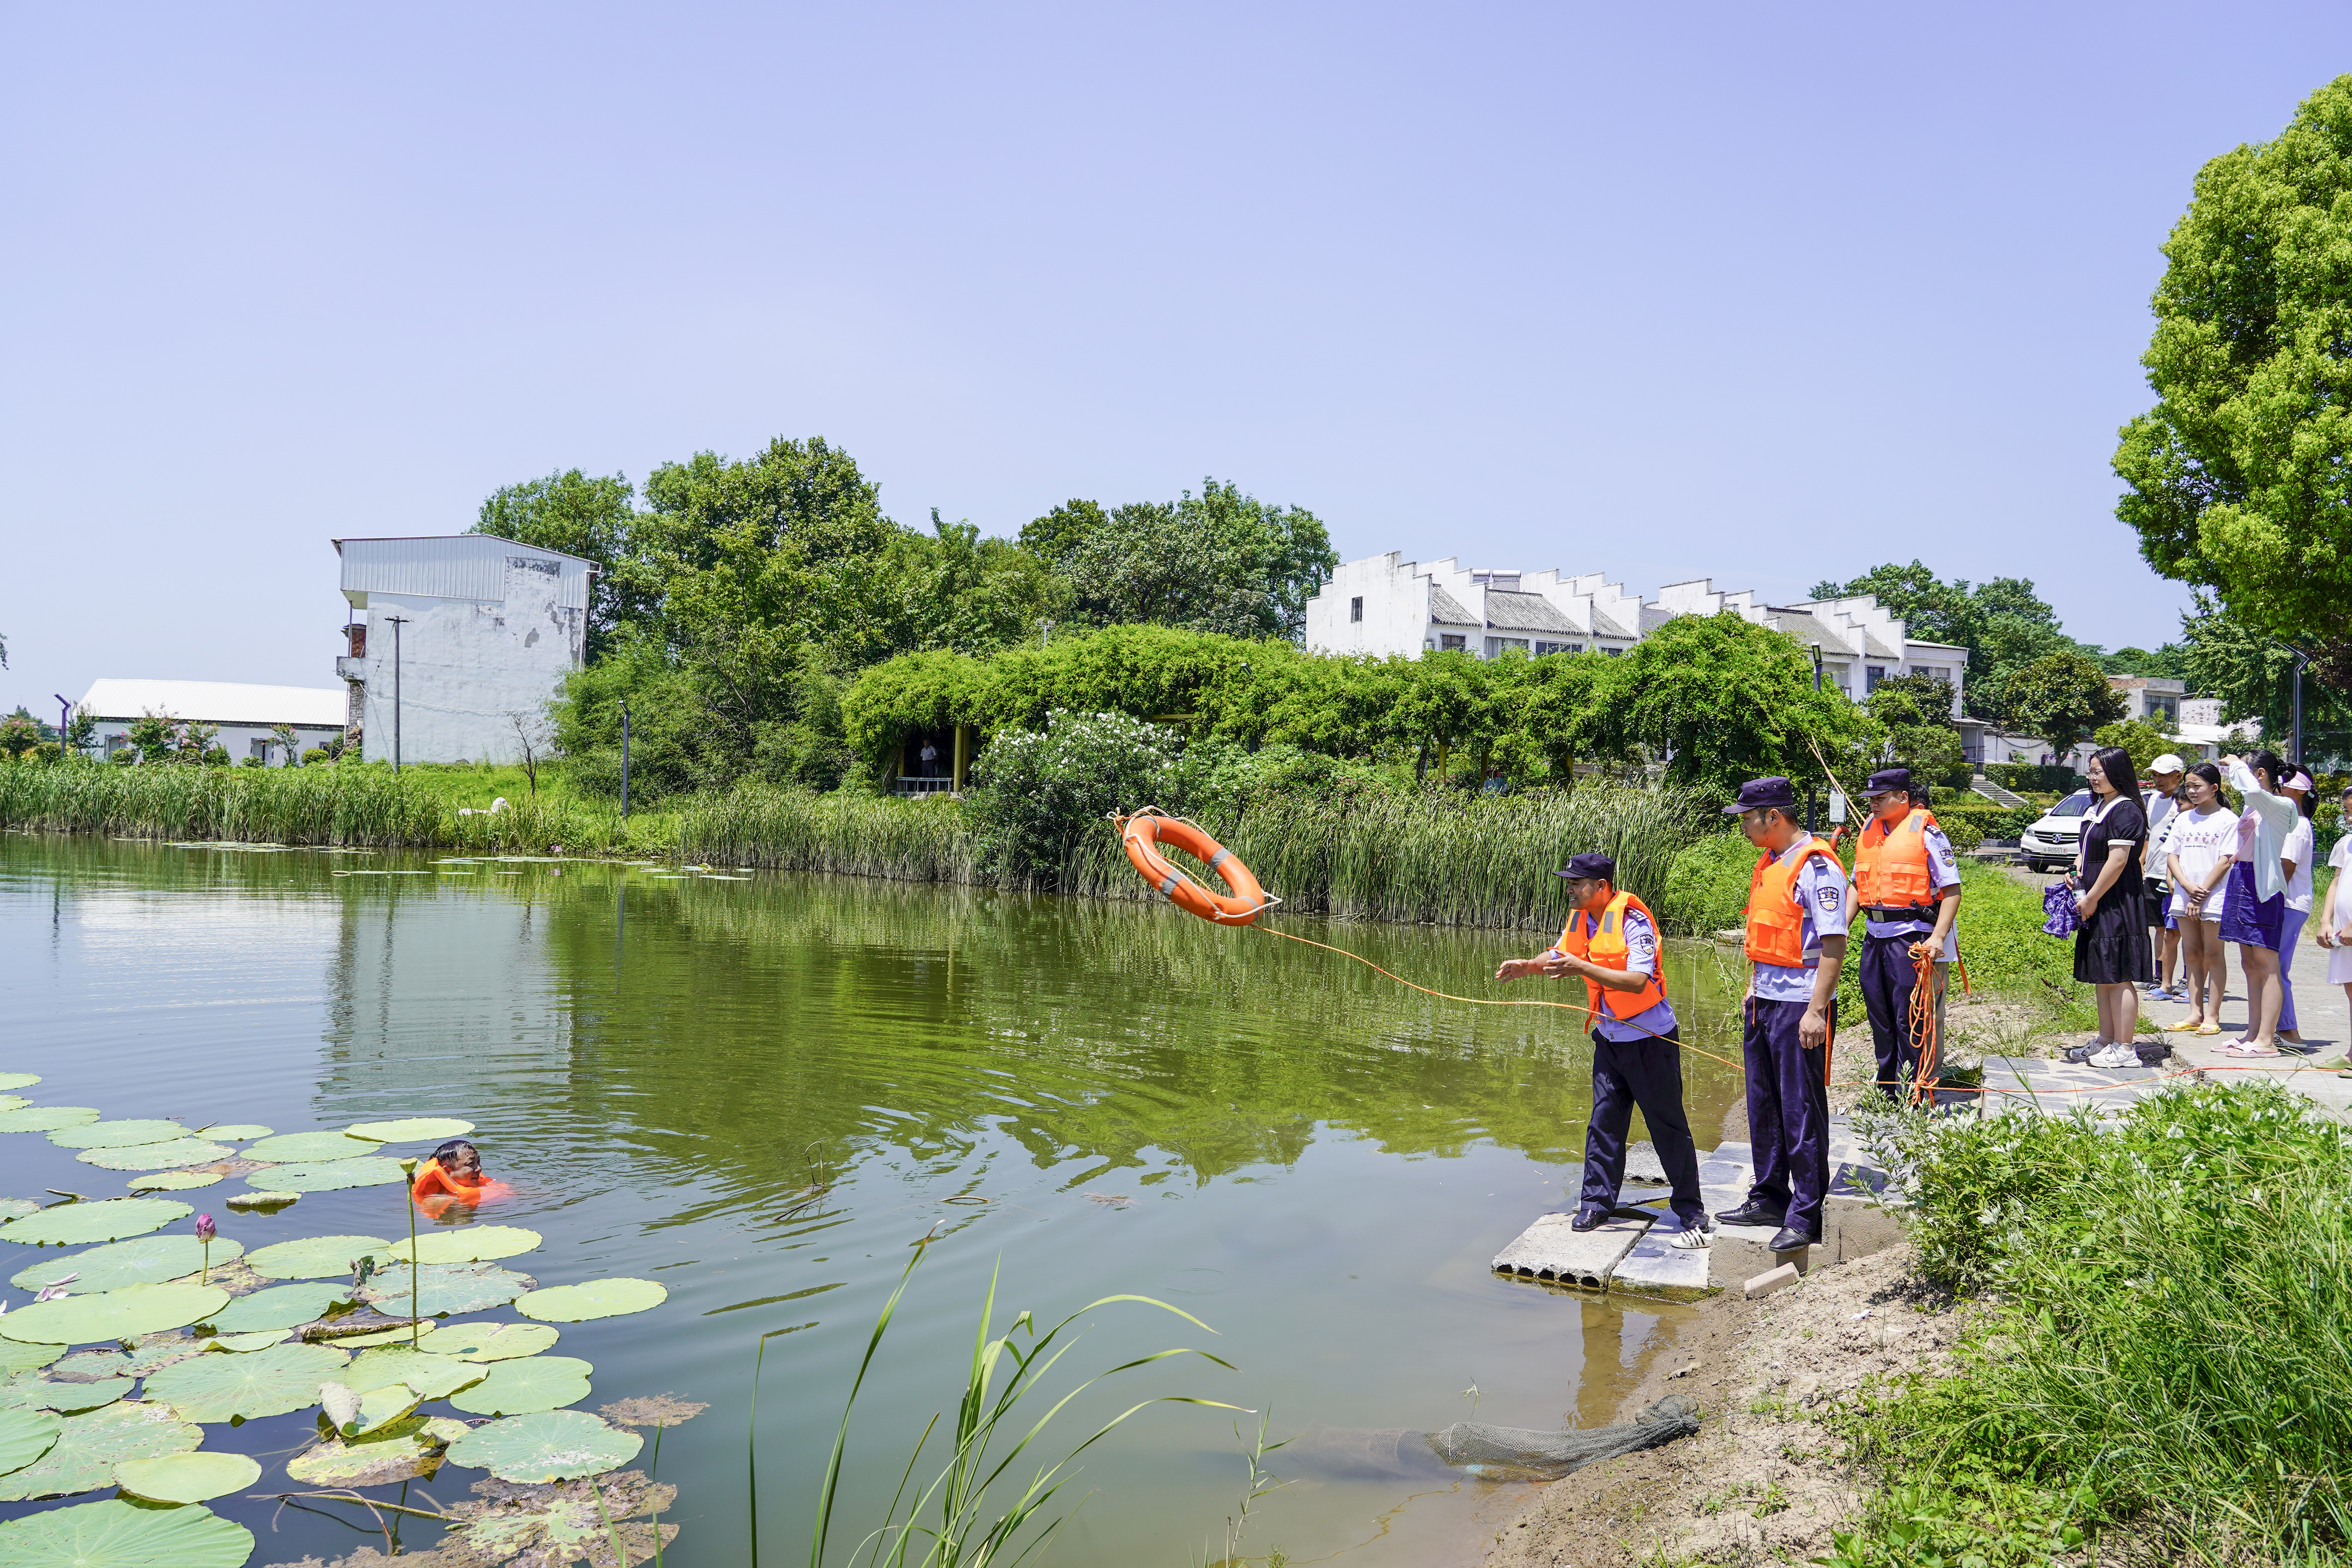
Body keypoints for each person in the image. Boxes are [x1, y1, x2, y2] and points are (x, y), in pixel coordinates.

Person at [1496, 853, 1710, 1250]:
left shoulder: (1633, 920)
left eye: (1577, 883)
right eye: (1570, 882)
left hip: (1651, 1040)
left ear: (1601, 886)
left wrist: (1583, 969)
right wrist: (1528, 966)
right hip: (1609, 1039)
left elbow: (1635, 980)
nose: (1570, 889)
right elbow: (1560, 956)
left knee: (1667, 1126)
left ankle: (1690, 1208)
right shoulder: (1581, 919)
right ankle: (1596, 1203)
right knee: (1604, 1122)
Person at [1715, 777, 1845, 1255]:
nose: (1744, 826)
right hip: (1764, 1001)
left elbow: (1834, 944)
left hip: (1799, 1005)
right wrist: (1752, 989)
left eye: (1748, 818)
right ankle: (1769, 1196)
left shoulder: (1816, 867)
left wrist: (1816, 1011)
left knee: (1801, 1109)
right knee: (1764, 1104)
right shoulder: (1768, 863)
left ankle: (1806, 1213)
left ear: (1775, 816)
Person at [1849, 767, 1961, 1104]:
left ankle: (1916, 1089)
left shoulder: (1927, 833)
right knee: (1879, 1016)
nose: (1873, 805)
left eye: (1881, 799)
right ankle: (1888, 1089)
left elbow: (1952, 890)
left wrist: (1938, 937)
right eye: (1870, 799)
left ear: (1903, 798)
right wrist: (1838, 930)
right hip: (1874, 937)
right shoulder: (1869, 832)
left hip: (1910, 938)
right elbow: (1858, 885)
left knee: (1909, 1017)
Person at [2067, 746, 2154, 1068]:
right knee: (2104, 974)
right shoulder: (2099, 807)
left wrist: (2091, 897)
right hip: (2096, 900)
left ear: (2117, 772)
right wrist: (2077, 872)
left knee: (2119, 976)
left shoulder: (2126, 810)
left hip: (2117, 901)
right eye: (2090, 772)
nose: (2093, 778)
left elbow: (2118, 861)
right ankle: (2107, 1040)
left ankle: (2126, 1048)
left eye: (2098, 772)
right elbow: (2089, 852)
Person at [2217, 751, 2296, 1056]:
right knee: (2249, 964)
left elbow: (2250, 789)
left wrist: (2236, 762)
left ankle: (2267, 1039)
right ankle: (2253, 1034)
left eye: (2242, 770)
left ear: (2259, 772)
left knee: (2267, 965)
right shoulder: (2254, 805)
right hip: (2242, 879)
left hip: (2260, 887)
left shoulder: (2281, 805)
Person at [2163, 762, 2237, 1036]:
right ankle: (2195, 1013)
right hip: (2185, 894)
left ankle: (2213, 1016)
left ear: (2214, 788)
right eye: (2189, 786)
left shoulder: (2228, 819)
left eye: (2198, 786)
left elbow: (2226, 859)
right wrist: (2185, 885)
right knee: (2192, 953)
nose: (2192, 791)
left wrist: (2201, 891)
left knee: (2213, 954)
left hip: (2214, 895)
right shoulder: (2183, 819)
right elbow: (2173, 855)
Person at [2312, 781, 2352, 1077]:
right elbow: (2336, 882)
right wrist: (2326, 921)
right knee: (2351, 991)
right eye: (2348, 812)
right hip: (2343, 933)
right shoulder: (2345, 843)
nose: (2350, 818)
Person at [2139, 754, 2187, 1002]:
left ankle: (2189, 980)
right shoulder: (2153, 800)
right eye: (2155, 775)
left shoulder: (2187, 802)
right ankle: (2159, 978)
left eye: (2163, 775)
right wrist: (2142, 858)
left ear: (2179, 776)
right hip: (2154, 872)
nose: (2157, 780)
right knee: (2160, 928)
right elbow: (2151, 833)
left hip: (2178, 876)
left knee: (2185, 930)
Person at [2277, 767, 2316, 1049]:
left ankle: (2289, 1032)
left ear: (2300, 792)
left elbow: (2286, 868)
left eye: (2285, 785)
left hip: (2289, 903)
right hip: (2284, 902)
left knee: (2276, 968)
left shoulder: (2298, 824)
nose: (2279, 789)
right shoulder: (2287, 821)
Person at [411, 1138, 507, 1205]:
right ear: (447, 1171)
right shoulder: (435, 1201)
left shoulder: (484, 1184)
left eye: (478, 1162)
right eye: (470, 1164)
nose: (479, 1169)